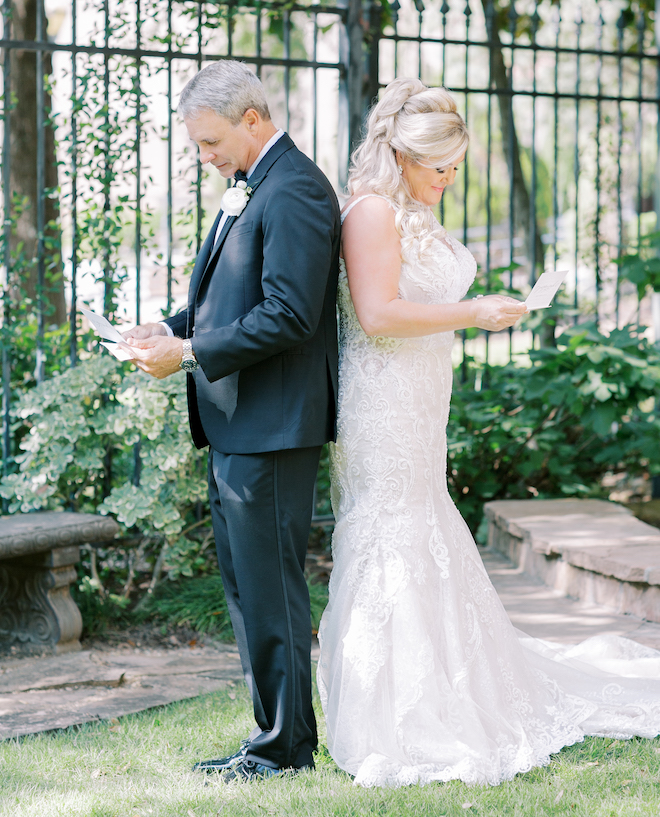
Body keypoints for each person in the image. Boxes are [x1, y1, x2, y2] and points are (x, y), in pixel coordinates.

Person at [316, 77, 660, 788]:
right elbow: (378, 315)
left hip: (418, 397)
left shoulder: (409, 210)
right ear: (406, 157)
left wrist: (480, 310)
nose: (448, 180)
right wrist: (472, 312)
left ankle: (446, 678)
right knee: (392, 528)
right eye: (442, 169)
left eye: (455, 170)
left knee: (422, 522)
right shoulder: (372, 212)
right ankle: (395, 707)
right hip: (381, 403)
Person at [125, 60, 340, 781]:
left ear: (253, 119)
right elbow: (231, 302)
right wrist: (167, 325)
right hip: (237, 425)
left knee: (272, 592)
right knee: (249, 592)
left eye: (210, 143)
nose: (206, 158)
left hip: (274, 428)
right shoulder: (251, 188)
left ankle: (285, 749)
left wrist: (187, 353)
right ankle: (269, 739)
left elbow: (287, 313)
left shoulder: (299, 190)